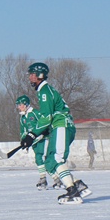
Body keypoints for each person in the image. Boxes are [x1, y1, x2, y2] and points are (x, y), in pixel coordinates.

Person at [22, 62, 90, 204]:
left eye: (32, 75)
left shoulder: (44, 91)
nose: (30, 77)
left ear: (40, 75)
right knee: (50, 161)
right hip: (60, 127)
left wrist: (31, 134)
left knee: (56, 159)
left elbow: (47, 118)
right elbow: (49, 118)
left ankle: (73, 192)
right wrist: (38, 134)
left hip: (61, 126)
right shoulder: (46, 90)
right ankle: (78, 185)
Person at [16, 95, 56, 190]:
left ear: (26, 104)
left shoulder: (35, 113)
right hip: (34, 141)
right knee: (38, 159)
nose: (19, 107)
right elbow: (23, 131)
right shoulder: (22, 118)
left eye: (20, 105)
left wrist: (44, 132)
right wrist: (24, 141)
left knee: (43, 158)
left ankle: (52, 179)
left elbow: (45, 122)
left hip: (43, 139)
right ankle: (47, 179)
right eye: (18, 105)